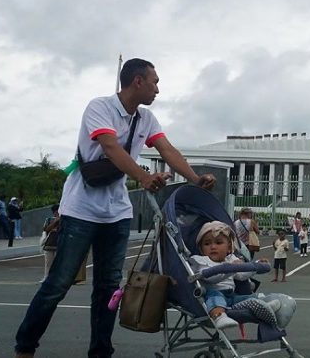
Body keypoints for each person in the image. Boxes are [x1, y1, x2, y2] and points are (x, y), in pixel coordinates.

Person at [14, 58, 217, 358]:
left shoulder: (147, 119)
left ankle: (100, 352)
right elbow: (110, 147)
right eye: (155, 82)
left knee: (109, 287)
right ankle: (25, 346)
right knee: (58, 283)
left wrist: (195, 179)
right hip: (82, 209)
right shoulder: (100, 107)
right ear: (138, 81)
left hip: (117, 212)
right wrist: (144, 178)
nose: (157, 89)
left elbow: (167, 150)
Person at [190, 221, 277, 329]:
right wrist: (231, 269)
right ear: (201, 249)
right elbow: (211, 278)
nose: (213, 246)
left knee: (249, 298)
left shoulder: (231, 259)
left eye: (218, 243)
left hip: (231, 295)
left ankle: (264, 304)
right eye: (207, 244)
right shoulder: (201, 261)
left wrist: (256, 265)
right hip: (212, 294)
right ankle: (219, 316)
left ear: (229, 247)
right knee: (215, 296)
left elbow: (241, 276)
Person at [40, 205, 61, 283]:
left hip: (59, 244)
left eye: (57, 211)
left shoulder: (64, 220)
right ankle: (46, 277)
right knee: (48, 263)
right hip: (49, 244)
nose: (56, 213)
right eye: (55, 212)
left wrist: (56, 229)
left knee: (58, 263)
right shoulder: (49, 219)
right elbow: (45, 229)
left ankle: (57, 278)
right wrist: (55, 222)